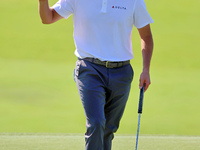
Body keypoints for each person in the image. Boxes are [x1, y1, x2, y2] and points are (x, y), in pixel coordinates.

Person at [39, 0, 154, 149]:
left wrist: (146, 70)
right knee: (97, 123)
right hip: (89, 69)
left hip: (122, 73)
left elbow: (146, 36)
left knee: (108, 129)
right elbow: (47, 18)